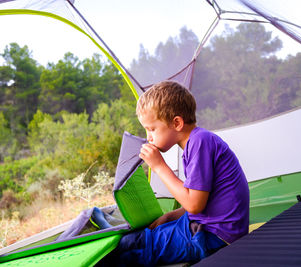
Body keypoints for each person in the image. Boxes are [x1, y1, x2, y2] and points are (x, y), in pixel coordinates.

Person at [98, 80, 249, 266]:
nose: (149, 137)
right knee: (136, 238)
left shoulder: (200, 142)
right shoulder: (196, 144)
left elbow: (194, 205)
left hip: (215, 235)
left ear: (176, 123)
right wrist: (169, 216)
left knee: (133, 251)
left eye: (152, 129)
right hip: (208, 226)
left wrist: (159, 166)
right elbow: (202, 199)